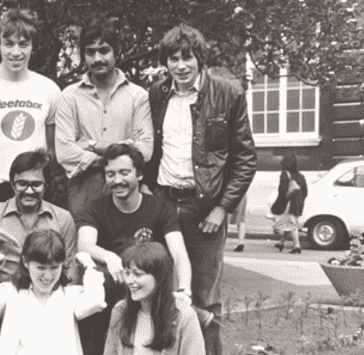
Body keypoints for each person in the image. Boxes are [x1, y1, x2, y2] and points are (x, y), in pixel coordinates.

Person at [143, 24, 256, 355]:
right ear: (166, 62)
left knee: (205, 300)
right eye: (173, 59)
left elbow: (245, 159)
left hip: (204, 210)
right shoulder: (157, 95)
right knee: (164, 292)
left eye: (187, 57)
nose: (181, 66)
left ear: (199, 58)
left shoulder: (228, 93)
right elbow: (152, 150)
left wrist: (222, 207)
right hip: (164, 203)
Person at [0, 149, 78, 355]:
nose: (29, 191)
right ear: (12, 184)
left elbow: (70, 268)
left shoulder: (62, 218)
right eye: (22, 184)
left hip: (45, 294)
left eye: (36, 184)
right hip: (2, 295)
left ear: (46, 185)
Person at [77, 143, 193, 355]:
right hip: (110, 293)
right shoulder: (96, 208)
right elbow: (84, 245)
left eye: (124, 172)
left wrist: (184, 289)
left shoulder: (159, 207)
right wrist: (108, 255)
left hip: (149, 296)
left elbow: (179, 253)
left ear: (139, 175)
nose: (117, 180)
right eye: (110, 174)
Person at [0, 9, 61, 230]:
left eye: (23, 44)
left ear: (32, 46)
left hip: (34, 189)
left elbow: (52, 150)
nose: (15, 52)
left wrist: (40, 180)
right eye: (8, 44)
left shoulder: (49, 90)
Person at [55, 16, 153, 225]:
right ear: (83, 55)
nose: (97, 58)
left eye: (104, 50)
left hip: (127, 189)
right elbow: (64, 151)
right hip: (83, 191)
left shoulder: (138, 96)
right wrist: (120, 153)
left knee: (127, 250)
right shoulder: (69, 96)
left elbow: (145, 149)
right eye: (90, 52)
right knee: (85, 251)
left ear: (116, 52)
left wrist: (92, 146)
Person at [0, 229, 106, 355]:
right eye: (41, 268)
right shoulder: (12, 294)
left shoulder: (70, 296)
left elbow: (96, 301)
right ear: (25, 262)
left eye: (54, 268)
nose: (48, 276)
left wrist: (88, 266)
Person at [104, 241, 205, 355]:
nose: (129, 281)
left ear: (159, 278)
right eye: (127, 273)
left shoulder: (184, 317)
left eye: (137, 274)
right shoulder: (120, 311)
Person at [271, 152, 307, 254]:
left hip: (289, 203)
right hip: (299, 203)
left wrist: (280, 203)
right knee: (290, 223)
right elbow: (305, 192)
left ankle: (297, 246)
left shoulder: (285, 174)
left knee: (291, 224)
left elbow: (282, 191)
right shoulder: (301, 176)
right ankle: (281, 243)